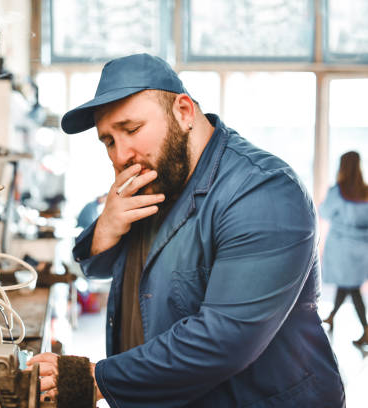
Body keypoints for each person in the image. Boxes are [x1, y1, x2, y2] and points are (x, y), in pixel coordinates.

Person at [27, 53, 345, 407]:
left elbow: (222, 341)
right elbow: (100, 266)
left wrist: (94, 378)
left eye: (131, 129)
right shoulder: (161, 176)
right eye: (109, 141)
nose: (120, 155)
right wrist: (106, 225)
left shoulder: (263, 192)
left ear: (183, 111)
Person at [320, 151, 368, 346]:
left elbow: (324, 211)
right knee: (348, 285)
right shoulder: (366, 191)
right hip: (361, 249)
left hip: (341, 248)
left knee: (351, 288)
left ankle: (366, 328)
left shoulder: (337, 192)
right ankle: (331, 316)